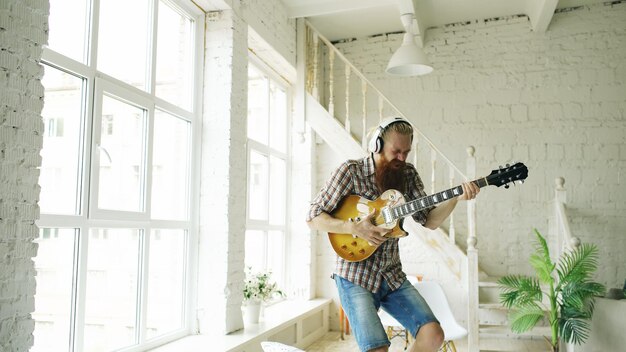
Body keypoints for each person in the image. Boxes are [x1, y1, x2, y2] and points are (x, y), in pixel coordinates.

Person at [306, 116, 480, 352]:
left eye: (406, 152)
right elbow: (313, 217)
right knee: (377, 349)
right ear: (377, 145)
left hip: (391, 275)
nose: (401, 158)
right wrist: (352, 227)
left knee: (433, 335)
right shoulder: (350, 171)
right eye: (396, 151)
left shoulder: (407, 174)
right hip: (354, 276)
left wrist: (456, 198)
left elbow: (428, 220)